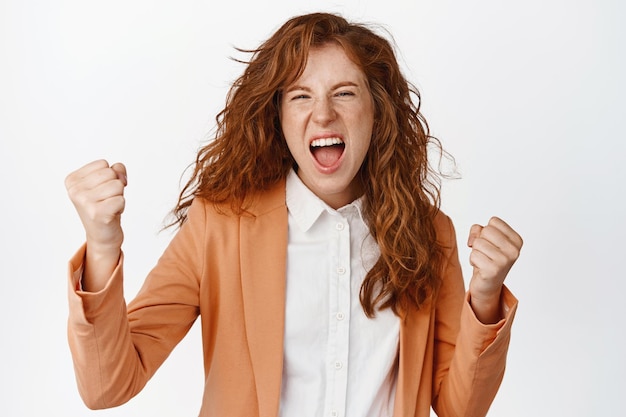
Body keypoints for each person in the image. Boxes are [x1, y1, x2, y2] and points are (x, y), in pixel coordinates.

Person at [65, 12, 523, 417]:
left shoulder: (429, 234)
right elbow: (108, 386)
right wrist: (103, 246)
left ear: (378, 110)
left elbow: (460, 407)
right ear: (277, 116)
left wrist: (484, 295)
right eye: (301, 97)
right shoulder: (220, 226)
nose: (322, 114)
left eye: (344, 92)